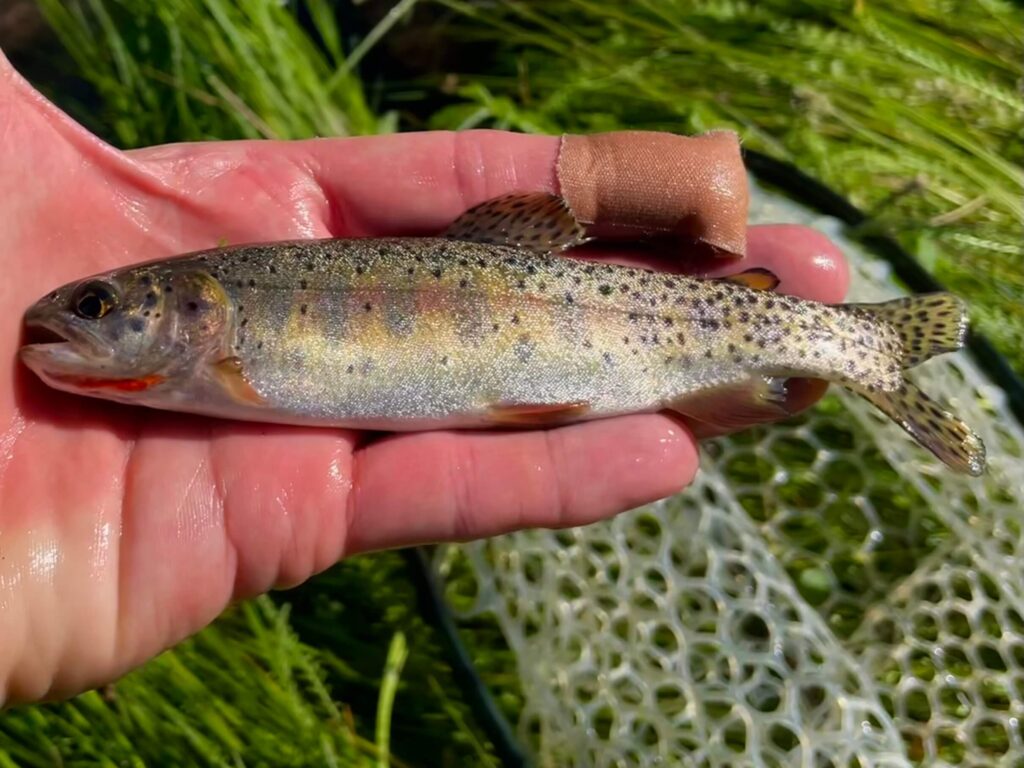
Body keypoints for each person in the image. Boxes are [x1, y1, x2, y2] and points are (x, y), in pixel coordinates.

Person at [0, 52, 848, 705]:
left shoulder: (223, 353)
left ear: (197, 310)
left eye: (96, 306)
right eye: (94, 306)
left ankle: (855, 342)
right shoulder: (205, 354)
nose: (71, 322)